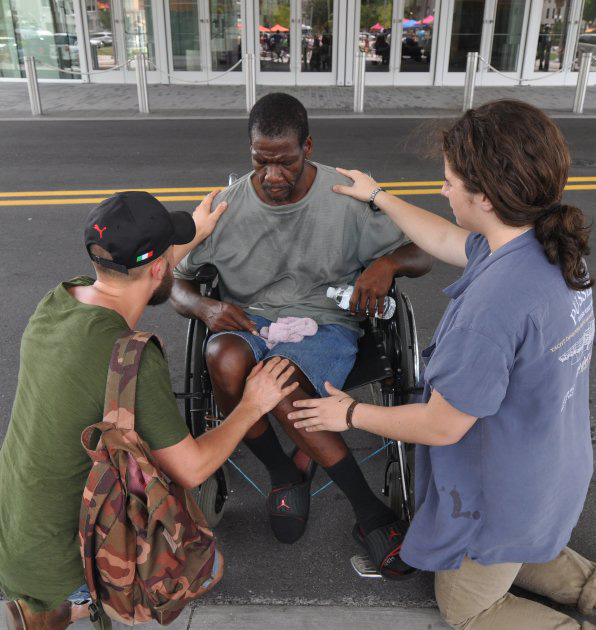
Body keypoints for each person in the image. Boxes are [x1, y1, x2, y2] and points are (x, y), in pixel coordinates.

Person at [289, 100, 596, 630]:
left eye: (450, 179)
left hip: (502, 487)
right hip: (550, 464)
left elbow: (442, 426)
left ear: (487, 197)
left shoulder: (493, 309)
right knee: (507, 550)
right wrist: (379, 197)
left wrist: (349, 415)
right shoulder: (544, 246)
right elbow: (446, 238)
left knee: (469, 605)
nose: (442, 188)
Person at [0, 190, 299, 630]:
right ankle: (63, 609)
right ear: (157, 271)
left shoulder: (58, 300)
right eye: (171, 258)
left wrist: (189, 234)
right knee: (201, 558)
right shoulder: (128, 356)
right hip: (50, 556)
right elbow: (191, 468)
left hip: (0, 526)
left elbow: (146, 272)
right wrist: (251, 405)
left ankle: (49, 599)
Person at [170, 92, 431, 573]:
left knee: (280, 378)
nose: (272, 175)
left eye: (285, 162)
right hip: (251, 321)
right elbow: (176, 280)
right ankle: (283, 472)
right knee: (223, 358)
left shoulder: (344, 197)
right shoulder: (226, 208)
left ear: (307, 147)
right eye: (261, 161)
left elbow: (423, 250)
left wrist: (387, 263)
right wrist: (205, 307)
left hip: (327, 323)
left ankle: (368, 512)